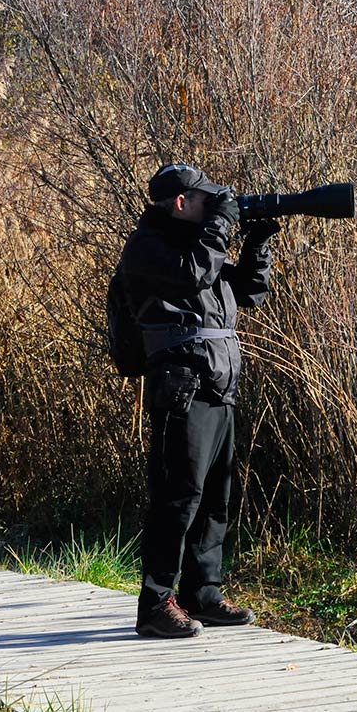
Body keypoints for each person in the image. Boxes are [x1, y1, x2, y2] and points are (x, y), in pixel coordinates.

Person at [118, 163, 277, 638]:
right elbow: (194, 276)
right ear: (182, 203)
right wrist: (221, 227)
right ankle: (156, 603)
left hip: (219, 382)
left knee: (214, 497)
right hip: (182, 385)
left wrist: (257, 243)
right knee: (177, 497)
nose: (217, 208)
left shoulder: (196, 247)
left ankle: (202, 594)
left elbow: (248, 292)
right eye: (208, 202)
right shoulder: (148, 247)